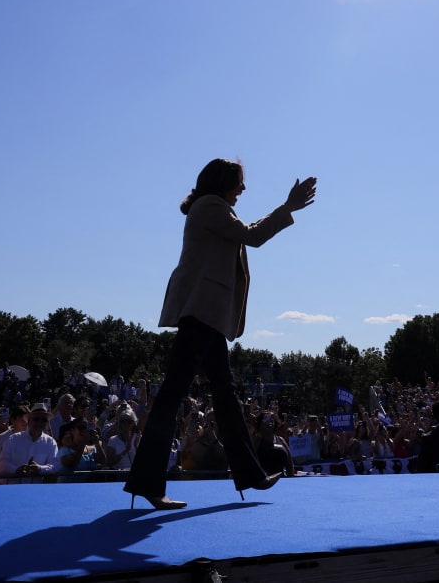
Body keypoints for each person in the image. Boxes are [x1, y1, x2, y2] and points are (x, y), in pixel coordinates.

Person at [123, 158, 317, 510]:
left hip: (206, 316)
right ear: (223, 183)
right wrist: (288, 207)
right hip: (201, 314)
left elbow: (247, 233)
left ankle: (249, 474)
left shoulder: (211, 208)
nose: (243, 189)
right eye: (239, 182)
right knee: (175, 398)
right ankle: (150, 483)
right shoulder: (211, 206)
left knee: (221, 397)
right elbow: (252, 235)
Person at [0, 402, 60, 478]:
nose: (40, 423)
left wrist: (40, 469)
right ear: (29, 421)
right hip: (14, 486)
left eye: (44, 420)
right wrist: (16, 470)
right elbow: (1, 464)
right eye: (36, 419)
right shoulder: (13, 439)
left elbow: (55, 466)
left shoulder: (50, 442)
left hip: (37, 488)